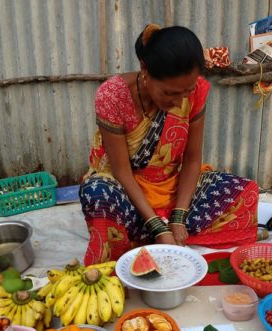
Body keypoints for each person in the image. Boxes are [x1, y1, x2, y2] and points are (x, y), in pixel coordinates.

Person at [79, 24, 259, 264]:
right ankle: (149, 232)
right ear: (145, 70)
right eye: (169, 93)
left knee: (245, 193)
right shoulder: (112, 97)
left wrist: (178, 217)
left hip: (169, 187)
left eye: (186, 91)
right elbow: (121, 172)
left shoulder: (196, 92)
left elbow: (193, 159)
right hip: (127, 192)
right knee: (97, 194)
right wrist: (157, 226)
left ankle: (150, 234)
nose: (178, 101)